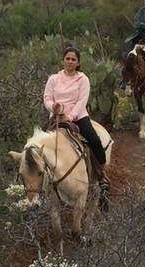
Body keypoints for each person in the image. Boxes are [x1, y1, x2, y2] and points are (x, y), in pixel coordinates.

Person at [43, 47, 110, 189]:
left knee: (94, 141)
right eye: (67, 59)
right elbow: (47, 98)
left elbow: (82, 101)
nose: (70, 62)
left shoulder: (83, 79)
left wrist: (70, 116)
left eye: (73, 59)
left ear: (78, 62)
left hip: (78, 117)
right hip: (56, 118)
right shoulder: (53, 79)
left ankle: (101, 174)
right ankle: (42, 179)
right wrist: (53, 107)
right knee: (40, 145)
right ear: (63, 61)